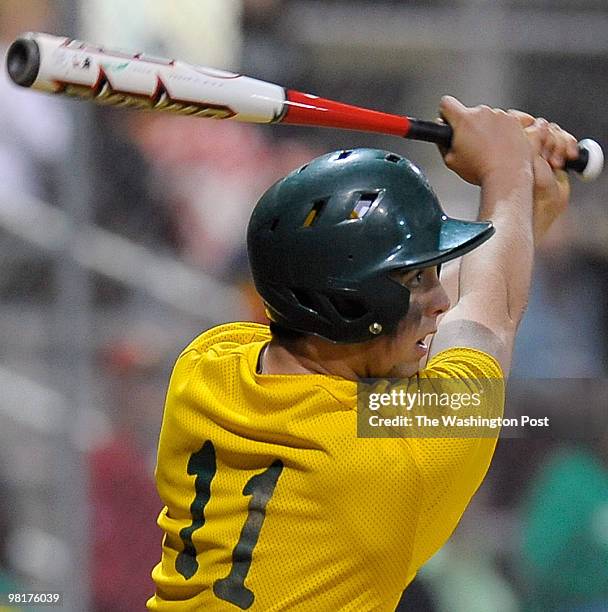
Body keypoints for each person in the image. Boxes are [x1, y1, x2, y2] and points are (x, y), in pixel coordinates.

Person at [147, 96, 576, 610]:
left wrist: (519, 198)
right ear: (354, 304)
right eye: (417, 280)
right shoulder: (398, 457)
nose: (440, 301)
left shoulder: (208, 366)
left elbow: (474, 303)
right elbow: (487, 314)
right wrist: (506, 178)